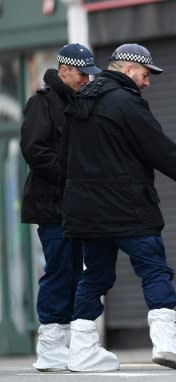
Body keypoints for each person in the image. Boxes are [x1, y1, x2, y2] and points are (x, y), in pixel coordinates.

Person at [61, 43, 176, 372]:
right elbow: (162, 152)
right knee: (154, 269)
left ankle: (81, 350)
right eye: (145, 73)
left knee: (94, 277)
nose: (148, 81)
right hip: (128, 209)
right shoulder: (125, 102)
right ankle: (166, 342)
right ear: (127, 70)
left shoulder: (77, 104)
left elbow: (64, 159)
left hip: (86, 212)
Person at [20, 43, 102, 372]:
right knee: (60, 270)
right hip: (53, 205)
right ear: (64, 70)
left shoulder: (78, 102)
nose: (86, 79)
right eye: (82, 74)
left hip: (76, 205)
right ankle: (51, 340)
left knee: (74, 271)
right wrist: (72, 178)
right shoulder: (42, 103)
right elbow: (34, 150)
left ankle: (66, 336)